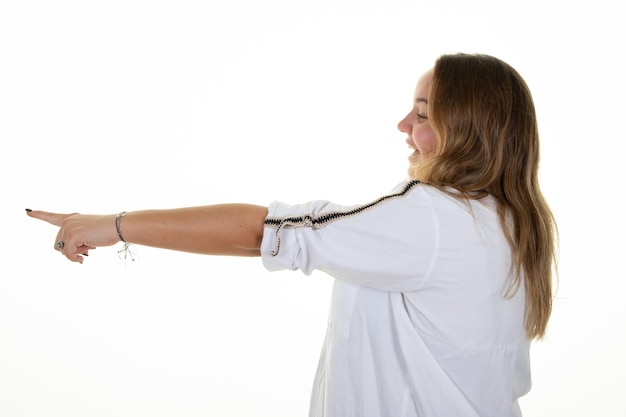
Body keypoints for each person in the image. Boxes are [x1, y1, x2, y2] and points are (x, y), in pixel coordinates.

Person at [27, 53, 558, 417]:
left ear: (465, 127)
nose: (402, 125)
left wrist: (111, 225)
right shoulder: (510, 222)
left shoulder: (429, 217)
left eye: (421, 113)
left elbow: (265, 229)